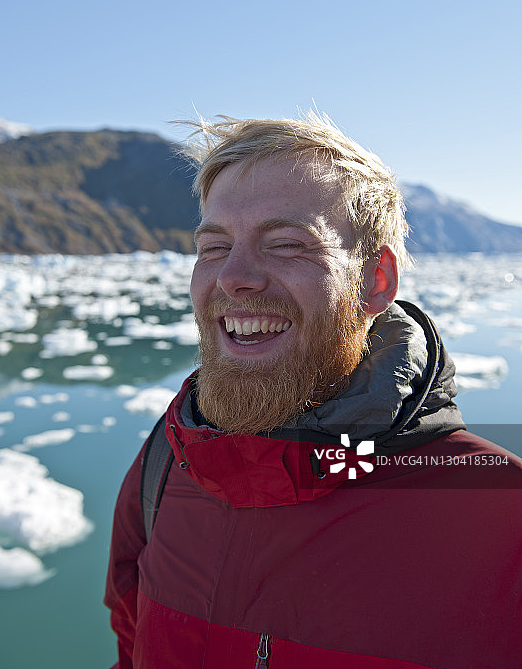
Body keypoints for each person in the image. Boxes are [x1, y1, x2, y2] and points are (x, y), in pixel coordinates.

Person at [105, 113, 522, 669]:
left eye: (286, 244)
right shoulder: (166, 466)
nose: (234, 276)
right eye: (214, 246)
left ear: (375, 281)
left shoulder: (498, 516)